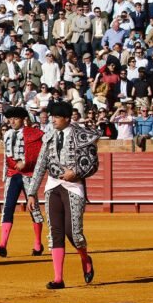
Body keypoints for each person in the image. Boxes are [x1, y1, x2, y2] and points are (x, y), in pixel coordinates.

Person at [27, 101, 100, 289]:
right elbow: (40, 165)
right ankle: (58, 278)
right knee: (55, 232)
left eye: (57, 117)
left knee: (74, 232)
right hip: (53, 186)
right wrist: (32, 193)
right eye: (52, 117)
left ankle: (85, 258)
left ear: (67, 118)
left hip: (73, 186)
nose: (53, 120)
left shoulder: (82, 135)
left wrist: (75, 172)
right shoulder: (49, 137)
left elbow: (93, 164)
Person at [0, 106, 46, 258]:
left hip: (28, 175)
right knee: (8, 208)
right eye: (10, 119)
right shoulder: (7, 134)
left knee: (33, 208)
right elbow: (6, 156)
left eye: (16, 118)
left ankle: (37, 244)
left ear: (23, 119)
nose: (12, 121)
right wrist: (6, 173)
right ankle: (2, 245)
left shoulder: (33, 133)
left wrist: (25, 163)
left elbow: (39, 153)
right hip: (12, 174)